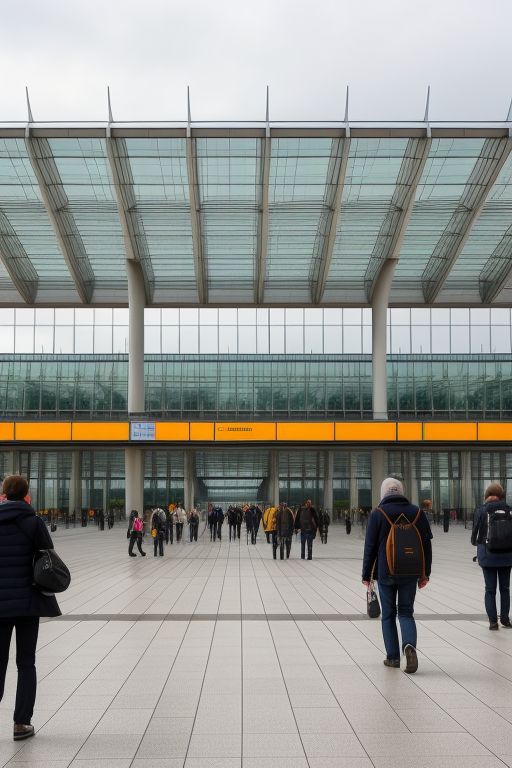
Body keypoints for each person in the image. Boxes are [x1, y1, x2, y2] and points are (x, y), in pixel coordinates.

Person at [0, 475, 62, 741]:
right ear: (27, 496)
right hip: (27, 602)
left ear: (3, 495)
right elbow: (47, 554)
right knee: (26, 663)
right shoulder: (34, 522)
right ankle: (21, 723)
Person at [362, 477, 432, 674]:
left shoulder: (378, 513)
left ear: (383, 493)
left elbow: (370, 547)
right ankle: (409, 646)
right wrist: (425, 573)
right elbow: (426, 545)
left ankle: (392, 657)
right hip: (410, 571)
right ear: (401, 491)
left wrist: (366, 575)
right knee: (406, 612)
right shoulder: (417, 512)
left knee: (389, 614)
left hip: (386, 572)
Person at [471, 482, 512, 630]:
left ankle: (493, 622)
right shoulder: (509, 509)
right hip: (507, 555)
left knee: (490, 589)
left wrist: (475, 543)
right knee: (505, 588)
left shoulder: (481, 510)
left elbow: (475, 532)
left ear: (487, 495)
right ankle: (506, 619)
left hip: (487, 555)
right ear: (501, 495)